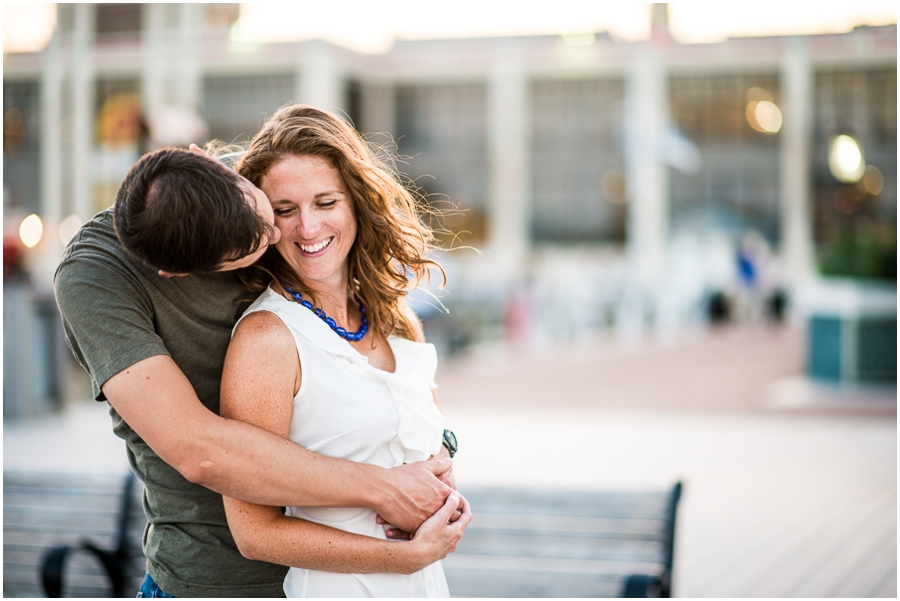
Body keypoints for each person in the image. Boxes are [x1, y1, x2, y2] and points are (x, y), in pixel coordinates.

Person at [54, 145, 464, 598]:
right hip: (218, 579)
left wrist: (431, 455)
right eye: (253, 246)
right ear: (175, 272)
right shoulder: (96, 277)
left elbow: (366, 347)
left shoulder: (266, 189)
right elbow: (200, 451)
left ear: (205, 157)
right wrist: (386, 491)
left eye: (268, 211)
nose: (282, 233)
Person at [219, 104, 467, 597]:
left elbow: (427, 440)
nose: (307, 228)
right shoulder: (268, 340)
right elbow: (253, 532)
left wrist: (444, 484)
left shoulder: (394, 317)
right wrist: (401, 557)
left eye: (325, 202)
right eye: (284, 211)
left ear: (356, 202)